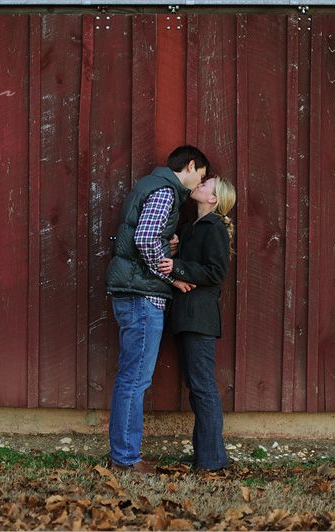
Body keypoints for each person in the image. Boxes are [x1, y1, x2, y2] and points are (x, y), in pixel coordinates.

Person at [105, 145, 210, 474]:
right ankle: (125, 459)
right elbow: (145, 239)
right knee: (135, 380)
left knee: (130, 378)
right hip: (142, 296)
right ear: (190, 166)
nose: (199, 183)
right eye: (201, 176)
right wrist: (171, 276)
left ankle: (123, 455)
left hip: (133, 292)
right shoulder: (166, 191)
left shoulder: (152, 186)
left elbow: (147, 236)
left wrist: (169, 244)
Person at [158, 176, 236, 472]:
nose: (199, 185)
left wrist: (177, 266)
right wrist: (175, 252)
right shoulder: (192, 226)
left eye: (205, 186)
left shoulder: (215, 227)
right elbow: (193, 263)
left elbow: (216, 272)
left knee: (203, 387)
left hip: (200, 317)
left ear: (213, 199)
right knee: (197, 386)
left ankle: (212, 460)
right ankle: (205, 455)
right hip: (186, 316)